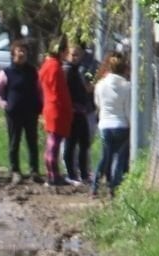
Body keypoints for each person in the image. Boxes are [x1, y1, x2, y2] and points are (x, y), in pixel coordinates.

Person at [0, 39, 42, 185]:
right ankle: (15, 171)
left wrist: (40, 105)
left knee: (32, 142)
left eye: (24, 51)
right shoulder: (6, 73)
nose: (22, 53)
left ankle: (34, 171)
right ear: (13, 54)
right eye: (19, 51)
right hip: (14, 113)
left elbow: (40, 90)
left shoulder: (33, 72)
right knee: (14, 142)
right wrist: (4, 104)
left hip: (31, 112)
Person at [92, 52, 131, 198]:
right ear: (124, 68)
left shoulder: (100, 85)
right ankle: (113, 188)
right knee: (119, 158)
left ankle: (95, 185)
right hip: (121, 125)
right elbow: (128, 109)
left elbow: (98, 104)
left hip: (105, 125)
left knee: (105, 157)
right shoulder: (127, 86)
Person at [37, 35, 73, 187]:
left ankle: (52, 173)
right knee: (54, 142)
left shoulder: (46, 65)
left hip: (49, 106)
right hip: (56, 108)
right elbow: (59, 92)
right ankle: (53, 174)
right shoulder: (55, 67)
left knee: (52, 141)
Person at [63, 43, 94, 184]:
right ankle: (71, 174)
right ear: (66, 55)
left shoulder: (78, 71)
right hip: (71, 113)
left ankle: (84, 173)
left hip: (82, 111)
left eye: (78, 54)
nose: (75, 57)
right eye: (72, 54)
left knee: (84, 143)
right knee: (70, 144)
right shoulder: (67, 71)